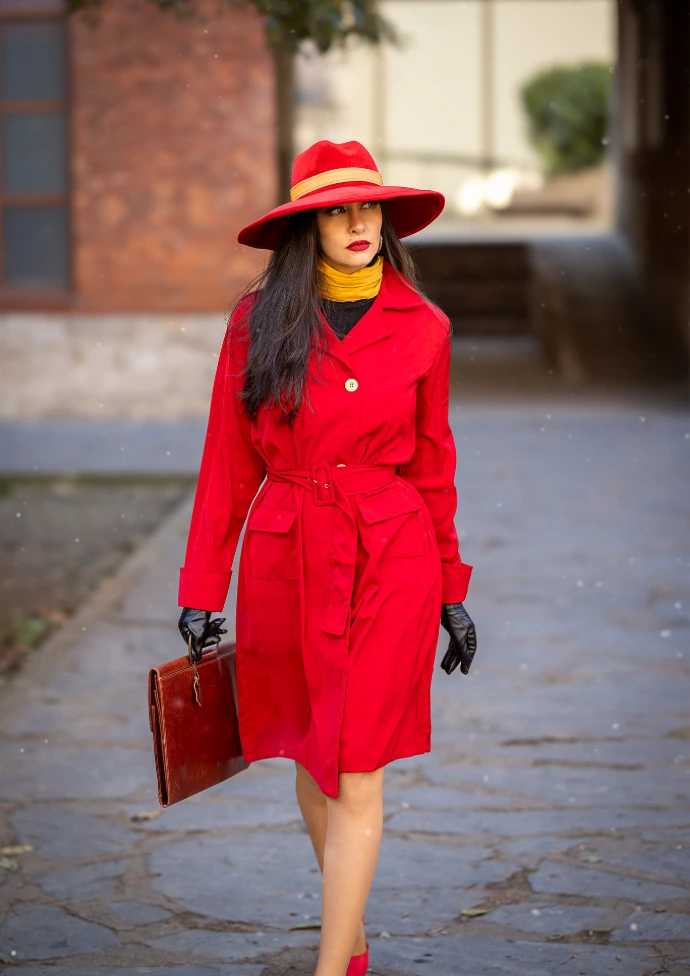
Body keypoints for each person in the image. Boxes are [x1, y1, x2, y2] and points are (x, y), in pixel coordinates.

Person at [176, 140, 477, 976]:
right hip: (287, 558)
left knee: (358, 767)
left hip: (393, 556)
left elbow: (434, 467)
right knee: (314, 759)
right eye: (338, 210)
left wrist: (452, 590)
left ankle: (332, 968)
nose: (358, 223)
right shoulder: (255, 322)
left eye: (369, 207)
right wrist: (203, 585)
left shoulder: (425, 328)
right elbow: (228, 462)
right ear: (308, 226)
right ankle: (352, 943)